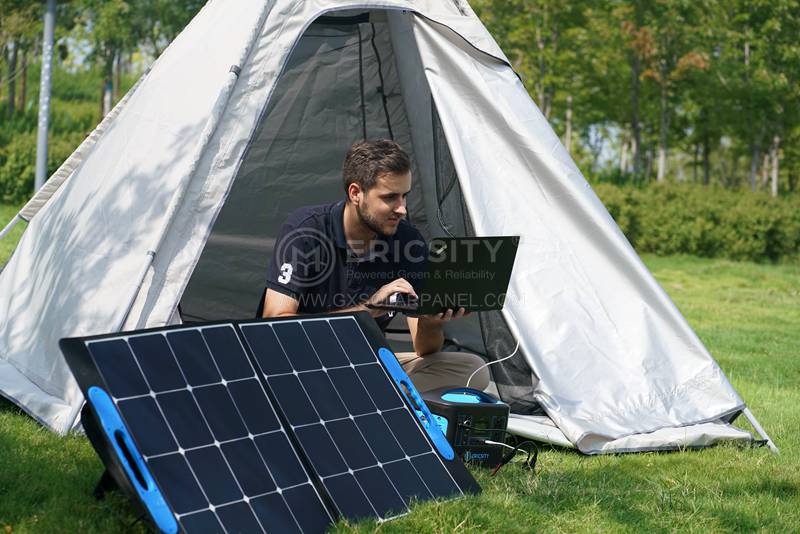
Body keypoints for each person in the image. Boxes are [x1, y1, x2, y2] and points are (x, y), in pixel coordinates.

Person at [262, 139, 489, 392]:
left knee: (471, 369)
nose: (402, 209)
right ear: (355, 193)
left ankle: (364, 396)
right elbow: (274, 327)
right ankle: (370, 397)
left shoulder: (408, 241)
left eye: (404, 196)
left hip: (363, 363)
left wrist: (432, 319)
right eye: (390, 197)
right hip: (298, 364)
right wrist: (369, 309)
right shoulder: (305, 230)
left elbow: (425, 349)